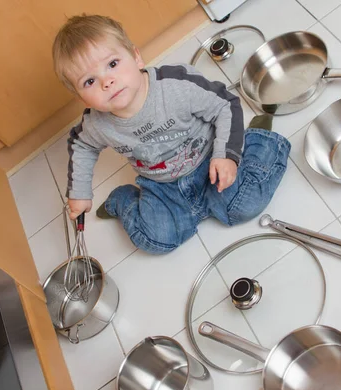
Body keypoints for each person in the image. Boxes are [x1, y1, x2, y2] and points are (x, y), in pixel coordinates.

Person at [53, 14, 291, 254]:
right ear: (80, 97)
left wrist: (225, 155)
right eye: (90, 81)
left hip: (210, 161)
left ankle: (259, 140)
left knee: (245, 205)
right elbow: (82, 145)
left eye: (113, 64)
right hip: (162, 185)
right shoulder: (96, 124)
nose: (107, 82)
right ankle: (122, 200)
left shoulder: (175, 86)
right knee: (157, 241)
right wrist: (79, 192)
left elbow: (225, 105)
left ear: (136, 57)